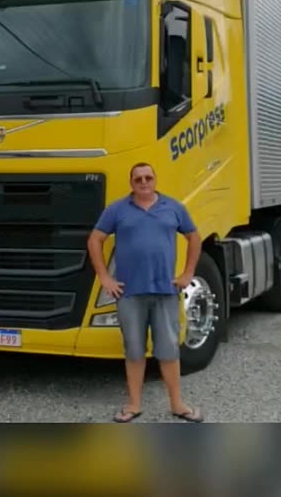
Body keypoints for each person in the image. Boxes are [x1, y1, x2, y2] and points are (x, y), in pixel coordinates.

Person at [87, 162, 203, 423]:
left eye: (148, 177)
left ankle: (178, 405)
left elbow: (194, 238)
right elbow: (95, 240)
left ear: (155, 180)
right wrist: (105, 277)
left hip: (165, 292)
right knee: (134, 350)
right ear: (131, 182)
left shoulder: (174, 207)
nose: (143, 182)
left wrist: (187, 274)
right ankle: (134, 405)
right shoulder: (117, 209)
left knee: (169, 350)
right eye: (138, 178)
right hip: (129, 294)